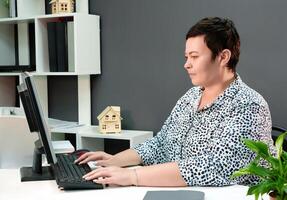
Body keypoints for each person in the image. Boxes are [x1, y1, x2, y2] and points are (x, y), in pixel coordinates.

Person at [75, 17, 275, 187]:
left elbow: (214, 167)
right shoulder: (191, 96)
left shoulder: (249, 105)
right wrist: (115, 160)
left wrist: (132, 176)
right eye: (187, 56)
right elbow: (162, 143)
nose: (186, 64)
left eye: (195, 56)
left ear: (223, 57)